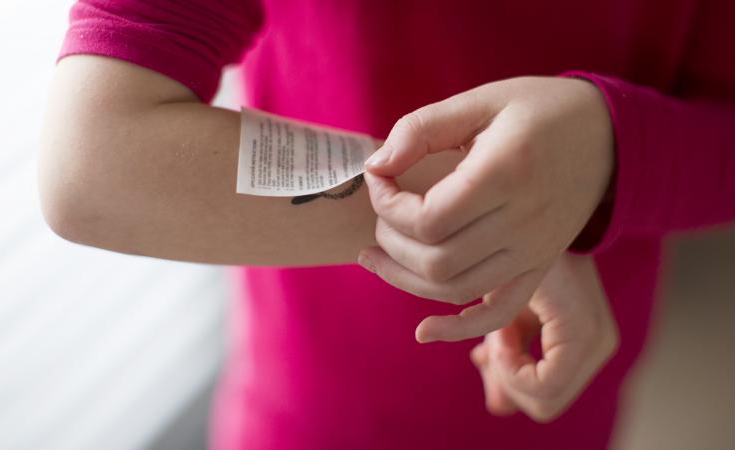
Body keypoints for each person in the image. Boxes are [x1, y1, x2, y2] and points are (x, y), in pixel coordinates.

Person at [38, 1, 735, 449]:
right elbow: (95, 160)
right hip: (313, 413)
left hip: (564, 391)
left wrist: (611, 151)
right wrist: (514, 211)